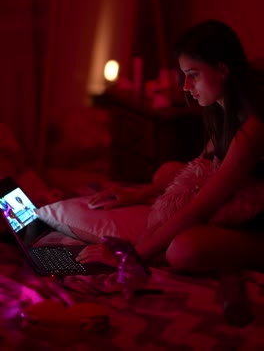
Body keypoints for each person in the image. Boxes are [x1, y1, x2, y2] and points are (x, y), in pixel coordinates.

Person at [76, 19, 264, 277]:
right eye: (184, 76)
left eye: (193, 75)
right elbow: (199, 169)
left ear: (222, 69)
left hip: (258, 226)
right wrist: (139, 194)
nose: (187, 87)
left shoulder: (252, 128)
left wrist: (133, 255)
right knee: (166, 171)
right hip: (238, 195)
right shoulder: (222, 110)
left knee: (182, 250)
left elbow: (202, 205)